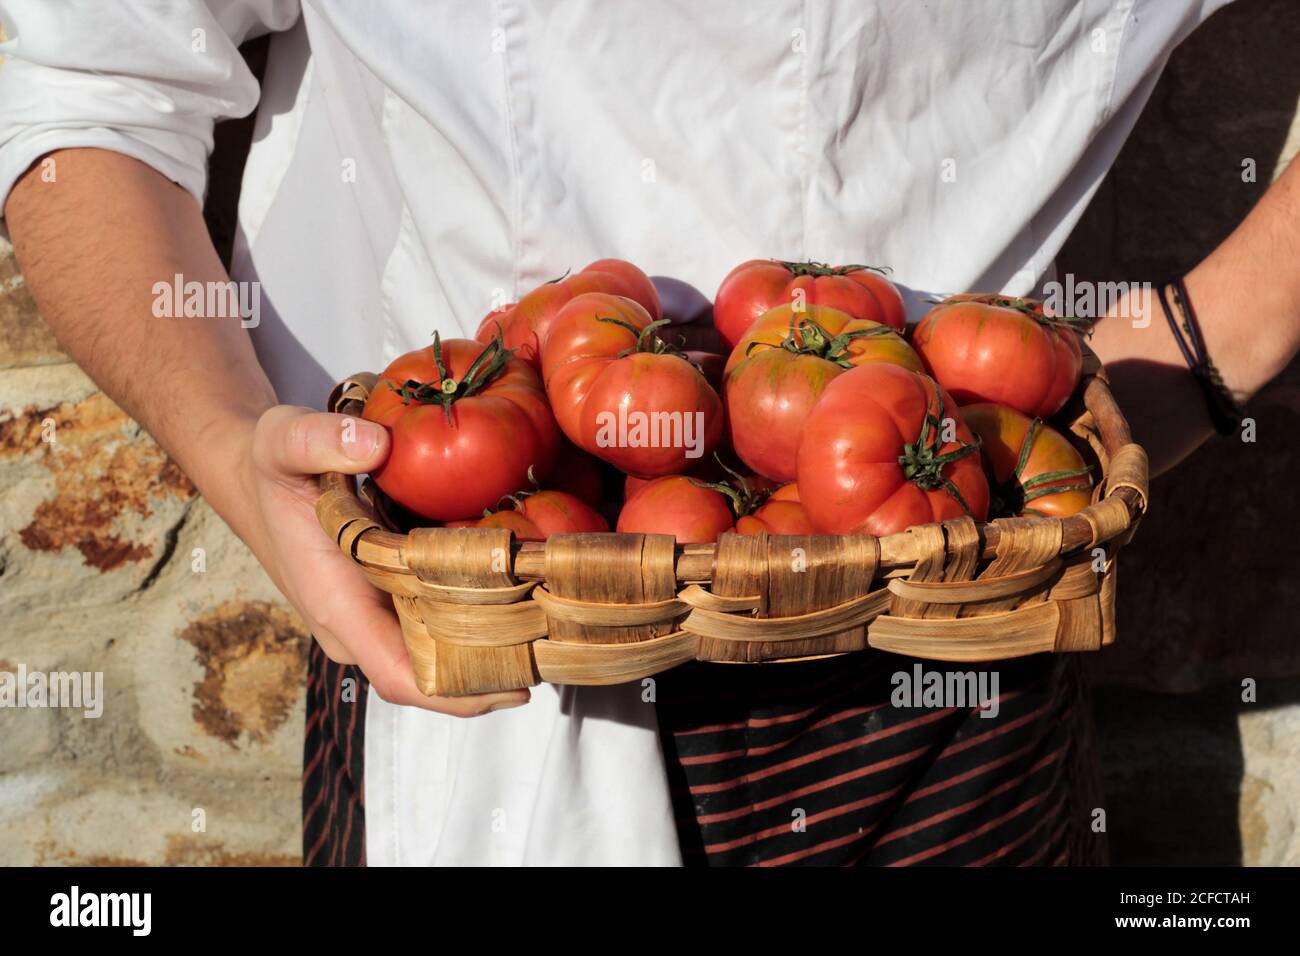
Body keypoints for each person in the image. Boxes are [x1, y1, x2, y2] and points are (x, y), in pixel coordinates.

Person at [3, 0, 1297, 866]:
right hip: (469, 655)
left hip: (948, 680)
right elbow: (82, 75)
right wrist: (230, 445)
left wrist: (1191, 358)